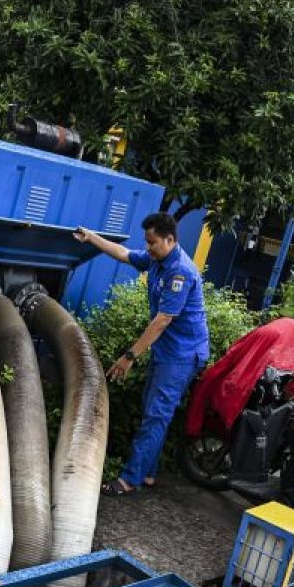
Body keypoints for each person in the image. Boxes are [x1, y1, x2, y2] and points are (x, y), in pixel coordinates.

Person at [74, 212, 209, 495]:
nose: (147, 247)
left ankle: (128, 480)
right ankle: (147, 473)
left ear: (170, 240)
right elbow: (124, 253)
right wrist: (93, 238)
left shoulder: (179, 271)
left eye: (152, 242)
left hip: (182, 355)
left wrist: (129, 356)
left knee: (156, 415)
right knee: (153, 409)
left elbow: (162, 321)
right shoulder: (158, 259)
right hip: (167, 350)